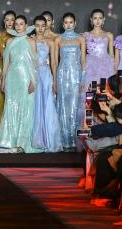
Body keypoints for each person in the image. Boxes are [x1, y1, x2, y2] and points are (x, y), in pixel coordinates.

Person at [0, 16, 40, 153]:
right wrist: (3, 80)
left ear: (26, 25)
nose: (18, 26)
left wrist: (33, 81)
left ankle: (22, 142)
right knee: (11, 107)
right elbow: (6, 62)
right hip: (12, 78)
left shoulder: (31, 41)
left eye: (21, 24)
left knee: (26, 108)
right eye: (16, 24)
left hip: (26, 78)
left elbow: (35, 64)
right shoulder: (10, 41)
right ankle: (10, 140)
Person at [54, 13, 84, 150]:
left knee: (75, 106)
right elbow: (55, 62)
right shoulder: (58, 39)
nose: (68, 24)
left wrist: (83, 78)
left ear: (75, 23)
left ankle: (74, 140)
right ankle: (64, 141)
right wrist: (55, 80)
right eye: (66, 22)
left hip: (76, 75)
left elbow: (83, 60)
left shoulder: (80, 38)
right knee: (63, 106)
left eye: (71, 22)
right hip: (62, 75)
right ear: (62, 24)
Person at [31, 16, 61, 152]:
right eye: (37, 25)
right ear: (33, 26)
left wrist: (55, 80)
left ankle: (48, 138)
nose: (40, 28)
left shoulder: (50, 42)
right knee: (34, 104)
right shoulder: (29, 40)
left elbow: (54, 63)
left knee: (47, 104)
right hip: (32, 74)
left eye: (43, 25)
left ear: (46, 26)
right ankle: (35, 138)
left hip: (45, 74)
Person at [83, 9, 114, 87]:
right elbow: (82, 56)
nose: (97, 21)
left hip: (105, 66)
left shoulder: (109, 35)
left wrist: (113, 70)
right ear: (91, 19)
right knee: (90, 90)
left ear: (103, 19)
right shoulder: (85, 36)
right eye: (95, 18)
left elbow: (111, 55)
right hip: (90, 66)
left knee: (104, 90)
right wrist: (83, 70)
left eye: (100, 18)